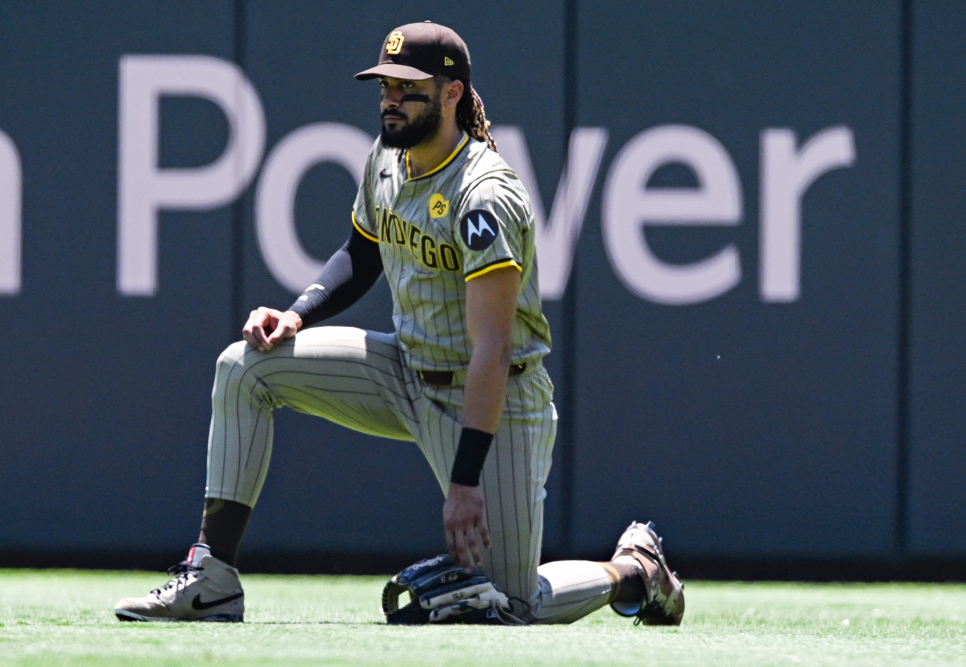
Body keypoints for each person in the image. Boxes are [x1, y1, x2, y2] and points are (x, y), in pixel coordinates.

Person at [114, 20, 684, 626]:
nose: (390, 98)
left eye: (408, 87)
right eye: (385, 84)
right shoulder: (389, 158)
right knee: (244, 367)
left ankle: (637, 571)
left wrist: (465, 484)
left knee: (514, 604)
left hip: (494, 398)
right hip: (406, 369)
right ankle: (213, 579)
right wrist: (296, 315)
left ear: (452, 94)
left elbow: (490, 350)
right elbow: (361, 252)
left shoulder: (484, 195)